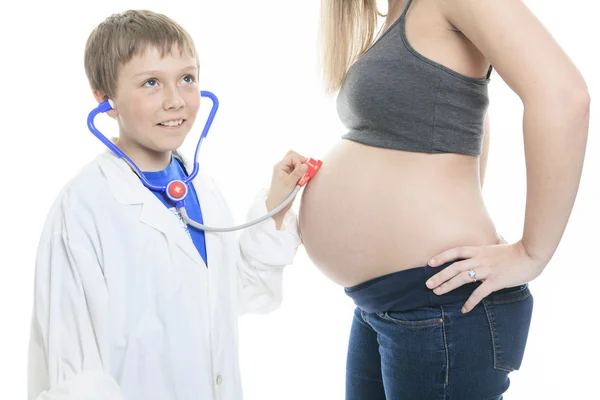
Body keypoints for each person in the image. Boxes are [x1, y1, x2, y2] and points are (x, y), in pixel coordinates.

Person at [299, 0, 590, 398]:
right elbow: (468, 118)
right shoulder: (397, 14)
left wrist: (531, 253)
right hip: (386, 303)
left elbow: (564, 96)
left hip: (441, 303)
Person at [27, 10, 308, 400]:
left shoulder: (201, 188)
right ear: (105, 99)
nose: (175, 101)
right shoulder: (84, 207)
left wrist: (275, 208)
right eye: (151, 83)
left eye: (187, 79)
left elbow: (233, 295)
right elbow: (75, 370)